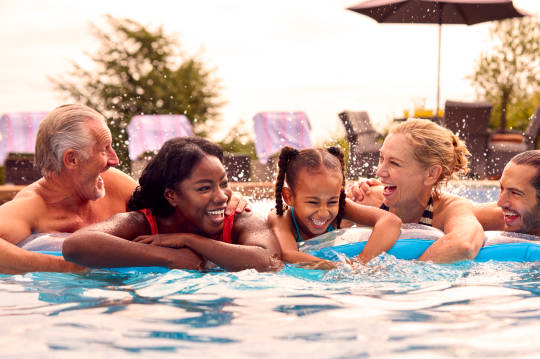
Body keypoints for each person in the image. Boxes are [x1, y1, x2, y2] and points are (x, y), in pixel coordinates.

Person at [0, 104, 248, 275]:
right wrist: (71, 267)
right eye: (105, 148)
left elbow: (172, 204)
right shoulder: (29, 208)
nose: (114, 159)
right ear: (72, 159)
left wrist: (222, 197)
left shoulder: (114, 184)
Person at [63, 137, 282, 272]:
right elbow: (75, 245)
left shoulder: (238, 216)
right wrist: (172, 258)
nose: (221, 196)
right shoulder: (145, 223)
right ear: (172, 195)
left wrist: (191, 241)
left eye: (223, 183)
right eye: (204, 188)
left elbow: (271, 261)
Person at [348, 118, 484, 263]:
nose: (379, 172)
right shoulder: (367, 199)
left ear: (431, 174)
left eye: (394, 163)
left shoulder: (450, 209)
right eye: (381, 158)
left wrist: (405, 273)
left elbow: (464, 244)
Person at [267, 146, 402, 269]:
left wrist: (360, 262)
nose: (324, 212)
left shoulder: (342, 206)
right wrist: (336, 266)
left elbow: (391, 221)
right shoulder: (281, 217)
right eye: (313, 202)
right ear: (289, 197)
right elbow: (288, 254)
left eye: (332, 202)